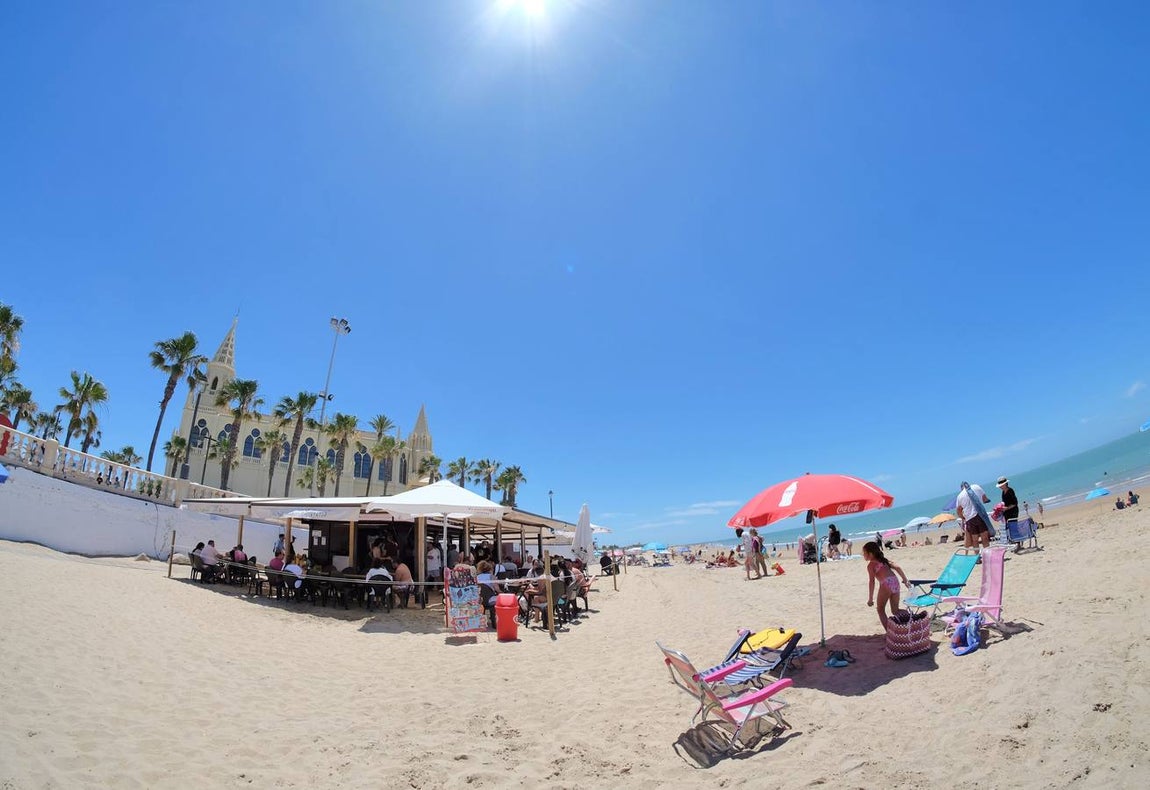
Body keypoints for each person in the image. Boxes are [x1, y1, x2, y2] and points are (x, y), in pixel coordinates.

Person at [863, 540, 910, 630]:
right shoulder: (883, 560)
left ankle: (889, 632)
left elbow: (871, 582)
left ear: (871, 554)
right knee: (895, 610)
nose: (863, 555)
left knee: (880, 610)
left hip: (886, 584)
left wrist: (870, 598)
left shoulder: (871, 565)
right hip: (895, 581)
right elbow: (898, 567)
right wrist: (905, 580)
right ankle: (911, 618)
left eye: (864, 553)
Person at [956, 482, 992, 549]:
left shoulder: (959, 496)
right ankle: (987, 553)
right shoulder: (976, 487)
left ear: (961, 488)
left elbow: (958, 511)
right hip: (980, 515)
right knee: (984, 537)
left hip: (970, 519)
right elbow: (985, 499)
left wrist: (963, 517)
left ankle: (977, 557)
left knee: (975, 540)